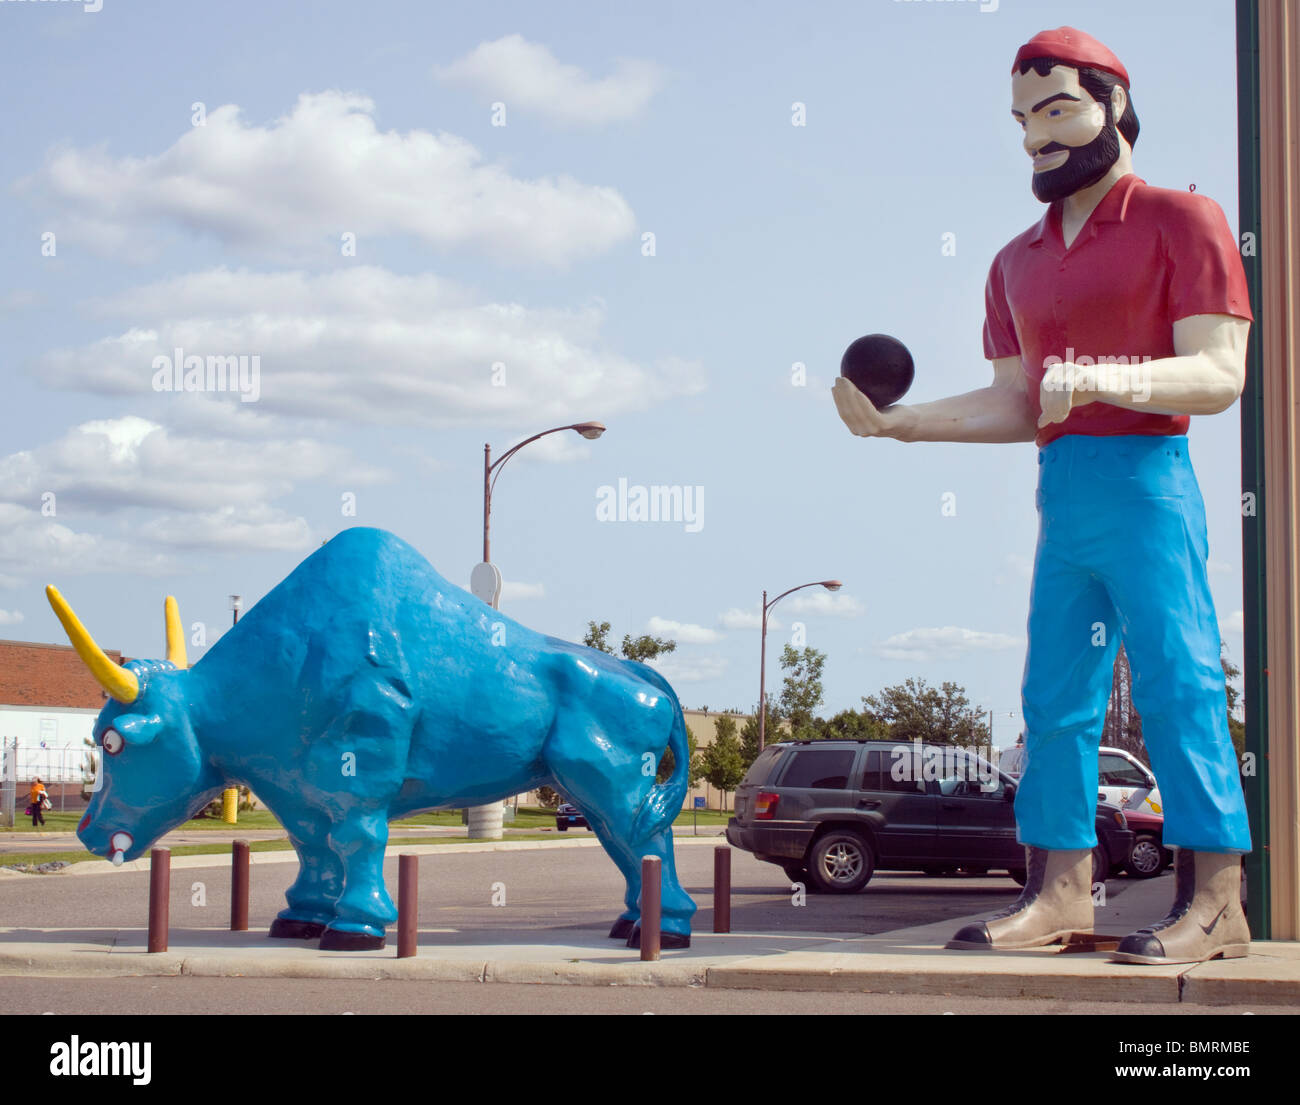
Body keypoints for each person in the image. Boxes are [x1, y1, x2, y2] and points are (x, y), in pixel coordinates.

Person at [832, 27, 1251, 965]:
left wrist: (1106, 377)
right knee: (1054, 697)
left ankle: (1218, 901)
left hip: (1147, 482)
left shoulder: (1185, 219)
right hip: (1062, 494)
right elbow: (1018, 401)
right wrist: (900, 424)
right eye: (1023, 119)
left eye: (1057, 110)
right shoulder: (1013, 258)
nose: (1037, 137)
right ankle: (1060, 892)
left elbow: (1221, 373)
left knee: (1181, 683)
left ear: (1115, 103)